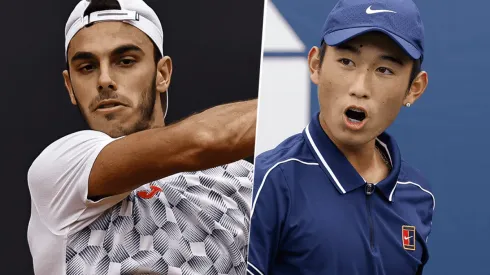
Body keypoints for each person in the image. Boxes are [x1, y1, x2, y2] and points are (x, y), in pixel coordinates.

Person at [27, 0, 257, 274]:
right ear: (70, 86)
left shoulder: (244, 180)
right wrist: (294, 104)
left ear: (162, 73)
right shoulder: (58, 168)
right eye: (87, 67)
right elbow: (204, 140)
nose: (104, 79)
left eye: (125, 61)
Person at [248, 0, 435, 274]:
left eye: (384, 70)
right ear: (316, 65)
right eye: (346, 61)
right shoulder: (267, 182)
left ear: (414, 89)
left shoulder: (418, 193)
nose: (360, 88)